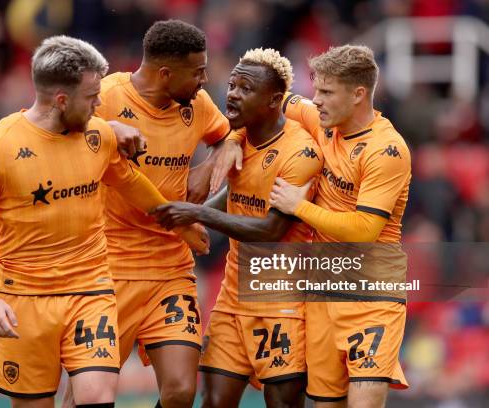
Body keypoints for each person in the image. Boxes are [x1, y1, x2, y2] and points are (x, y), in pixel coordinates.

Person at [0, 35, 207, 408]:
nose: (100, 104)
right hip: (24, 300)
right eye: (91, 97)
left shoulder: (97, 135)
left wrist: (178, 221)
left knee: (96, 397)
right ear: (61, 100)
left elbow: (131, 183)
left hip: (91, 289)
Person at [227, 45, 411, 408]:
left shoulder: (387, 151)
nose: (316, 100)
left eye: (326, 92)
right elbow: (259, 106)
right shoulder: (318, 118)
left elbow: (364, 230)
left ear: (358, 94)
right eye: (316, 90)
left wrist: (300, 207)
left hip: (371, 297)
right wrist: (233, 141)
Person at [152, 48, 323, 408]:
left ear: (274, 100)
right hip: (232, 295)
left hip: (281, 298)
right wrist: (196, 213)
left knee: (282, 403)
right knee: (214, 402)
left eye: (246, 88)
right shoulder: (243, 134)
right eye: (232, 85)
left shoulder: (301, 153)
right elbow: (238, 191)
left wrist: (196, 214)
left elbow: (270, 230)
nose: (232, 94)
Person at [73, 20, 231, 408]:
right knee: (89, 398)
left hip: (169, 266)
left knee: (180, 391)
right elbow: (54, 131)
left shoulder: (197, 104)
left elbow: (228, 136)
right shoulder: (107, 96)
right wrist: (106, 127)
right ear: (165, 73)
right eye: (197, 71)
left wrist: (209, 165)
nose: (204, 79)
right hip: (108, 269)